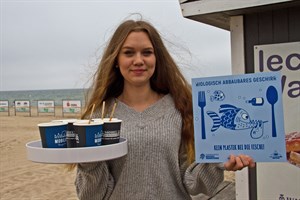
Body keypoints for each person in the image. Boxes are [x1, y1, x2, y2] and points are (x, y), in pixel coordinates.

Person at [75, 19, 255, 200]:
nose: (138, 60)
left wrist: (218, 163)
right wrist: (87, 161)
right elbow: (91, 195)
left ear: (156, 58)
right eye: (129, 53)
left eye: (147, 52)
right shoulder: (99, 116)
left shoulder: (181, 108)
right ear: (116, 59)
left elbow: (192, 182)